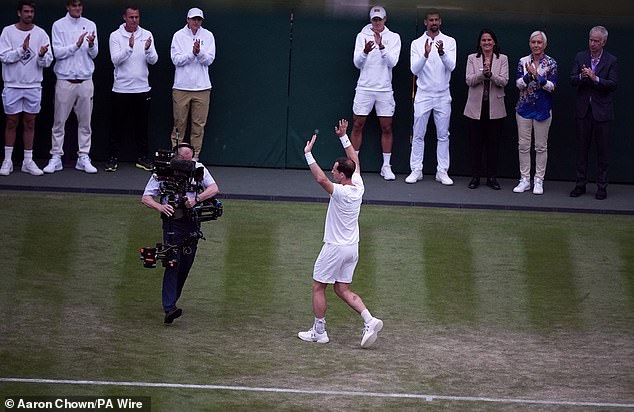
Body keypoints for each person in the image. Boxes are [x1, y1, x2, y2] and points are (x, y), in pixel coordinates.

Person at [298, 119, 383, 348]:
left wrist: (308, 154)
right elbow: (354, 160)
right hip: (352, 248)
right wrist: (344, 137)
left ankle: (319, 331)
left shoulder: (341, 192)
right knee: (342, 288)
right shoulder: (359, 184)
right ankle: (369, 319)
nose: (332, 172)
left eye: (335, 170)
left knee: (318, 286)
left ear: (342, 175)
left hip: (335, 247)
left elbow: (320, 179)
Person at [141, 143, 219, 323]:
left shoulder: (198, 169)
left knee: (186, 263)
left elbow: (214, 188)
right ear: (175, 158)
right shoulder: (162, 171)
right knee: (172, 262)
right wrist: (160, 206)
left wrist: (196, 199)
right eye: (183, 159)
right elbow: (146, 197)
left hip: (192, 222)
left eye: (189, 159)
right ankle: (169, 307)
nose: (186, 163)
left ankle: (172, 301)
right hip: (172, 223)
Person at [43, 0, 98, 174]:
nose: (77, 9)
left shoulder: (90, 24)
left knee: (85, 123)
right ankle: (56, 157)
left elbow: (95, 53)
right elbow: (58, 53)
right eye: (74, 6)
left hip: (85, 81)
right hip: (65, 80)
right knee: (59, 122)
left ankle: (83, 156)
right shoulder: (58, 25)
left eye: (80, 5)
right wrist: (76, 45)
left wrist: (89, 45)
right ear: (68, 7)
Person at [0, 0, 53, 176]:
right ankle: (7, 161)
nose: (29, 15)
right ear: (19, 13)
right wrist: (21, 50)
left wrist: (40, 55)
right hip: (12, 85)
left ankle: (27, 161)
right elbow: (4, 57)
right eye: (26, 11)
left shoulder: (41, 34)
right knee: (11, 122)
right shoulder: (8, 32)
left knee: (30, 122)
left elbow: (47, 62)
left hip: (33, 85)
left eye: (31, 12)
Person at [406, 8, 456, 185]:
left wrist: (441, 53)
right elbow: (414, 69)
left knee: (443, 135)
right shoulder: (416, 43)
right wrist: (426, 55)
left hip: (443, 95)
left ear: (440, 22)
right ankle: (416, 170)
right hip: (423, 94)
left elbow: (452, 66)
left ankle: (442, 171)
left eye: (436, 20)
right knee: (418, 134)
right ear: (426, 22)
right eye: (431, 20)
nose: (434, 23)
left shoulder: (449, 42)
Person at [105, 6, 158, 172]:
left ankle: (143, 158)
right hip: (121, 90)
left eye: (136, 17)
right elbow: (115, 60)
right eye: (131, 17)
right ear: (124, 18)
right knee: (117, 127)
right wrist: (129, 47)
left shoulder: (147, 34)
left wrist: (148, 49)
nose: (134, 20)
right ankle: (112, 158)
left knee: (142, 127)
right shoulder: (115, 36)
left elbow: (154, 60)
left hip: (142, 89)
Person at [350, 5, 401, 181]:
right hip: (364, 88)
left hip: (384, 89)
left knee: (386, 127)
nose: (377, 23)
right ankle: (354, 167)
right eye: (374, 20)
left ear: (385, 19)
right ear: (371, 20)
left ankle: (386, 166)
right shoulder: (361, 36)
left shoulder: (394, 38)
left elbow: (393, 62)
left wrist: (381, 47)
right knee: (357, 125)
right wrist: (364, 52)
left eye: (380, 19)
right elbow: (357, 63)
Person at [569, 26, 618, 200]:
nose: (592, 43)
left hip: (602, 113)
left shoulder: (611, 60)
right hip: (583, 112)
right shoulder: (580, 56)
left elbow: (613, 84)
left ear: (603, 42)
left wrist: (595, 78)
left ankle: (601, 186)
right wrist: (583, 77)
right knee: (582, 150)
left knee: (602, 152)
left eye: (596, 41)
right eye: (591, 39)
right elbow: (572, 79)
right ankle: (580, 184)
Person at [512, 31, 557, 195]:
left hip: (543, 110)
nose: (536, 45)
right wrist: (528, 76)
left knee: (540, 146)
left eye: (539, 42)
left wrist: (538, 76)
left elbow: (552, 87)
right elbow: (518, 84)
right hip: (524, 109)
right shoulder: (523, 61)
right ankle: (524, 179)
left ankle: (538, 180)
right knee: (523, 146)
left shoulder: (551, 63)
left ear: (544, 45)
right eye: (533, 42)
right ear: (530, 44)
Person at [463, 29, 508, 190]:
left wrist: (491, 75)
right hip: (475, 108)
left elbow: (504, 81)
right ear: (480, 43)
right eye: (484, 40)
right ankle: (475, 177)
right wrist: (483, 75)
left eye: (489, 40)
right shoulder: (472, 59)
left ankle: (491, 177)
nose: (487, 43)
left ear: (494, 42)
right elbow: (469, 80)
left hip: (495, 108)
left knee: (493, 145)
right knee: (476, 145)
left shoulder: (502, 59)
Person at [169, 7, 215, 160]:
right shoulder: (178, 36)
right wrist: (192, 54)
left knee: (198, 126)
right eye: (194, 19)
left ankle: (194, 158)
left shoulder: (208, 36)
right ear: (187, 20)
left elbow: (209, 60)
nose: (196, 22)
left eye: (199, 19)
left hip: (202, 88)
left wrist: (199, 52)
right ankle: (177, 156)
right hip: (181, 87)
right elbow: (176, 60)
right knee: (179, 124)